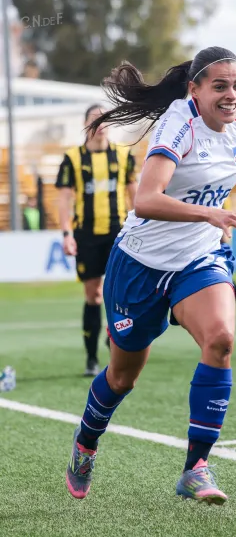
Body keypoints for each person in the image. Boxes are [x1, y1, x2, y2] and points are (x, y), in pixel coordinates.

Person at [65, 47, 236, 504]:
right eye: (220, 86)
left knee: (221, 339)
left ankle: (195, 468)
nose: (231, 95)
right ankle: (86, 443)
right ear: (194, 89)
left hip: (199, 258)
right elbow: (145, 199)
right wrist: (210, 213)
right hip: (140, 264)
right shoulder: (178, 123)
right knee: (122, 378)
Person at [56, 105, 137, 376]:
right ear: (86, 125)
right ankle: (91, 358)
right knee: (94, 294)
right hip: (87, 235)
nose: (101, 124)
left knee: (121, 292)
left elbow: (134, 194)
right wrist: (66, 234)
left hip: (119, 233)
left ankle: (114, 340)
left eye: (105, 119)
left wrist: (142, 227)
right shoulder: (73, 158)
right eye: (95, 120)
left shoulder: (123, 155)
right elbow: (64, 200)